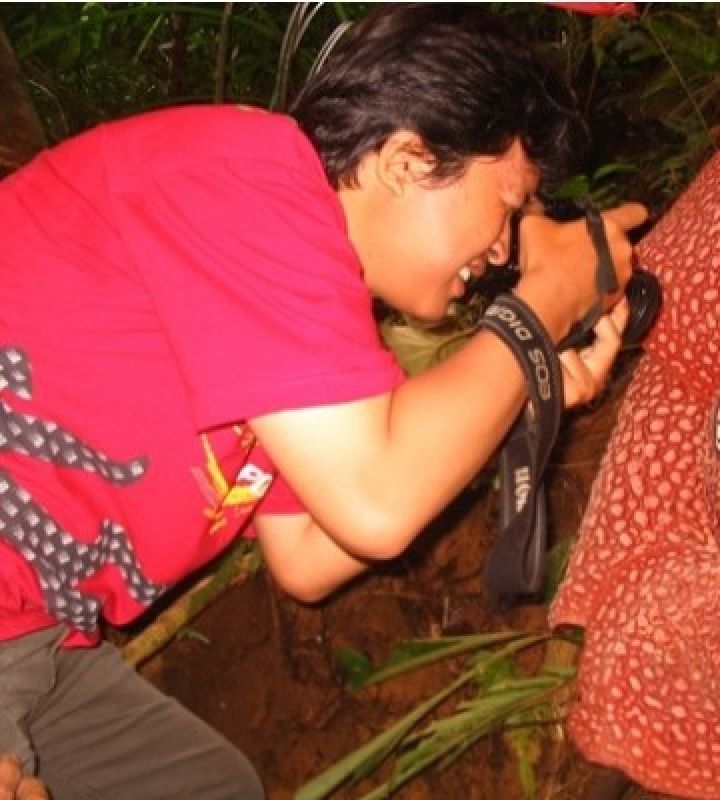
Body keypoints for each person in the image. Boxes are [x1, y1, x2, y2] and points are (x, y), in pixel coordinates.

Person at [0, 5, 645, 799]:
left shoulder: (304, 312)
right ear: (410, 158)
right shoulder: (253, 172)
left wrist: (518, 389)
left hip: (35, 632)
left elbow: (309, 554)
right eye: (506, 207)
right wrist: (542, 302)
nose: (504, 250)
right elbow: (378, 500)